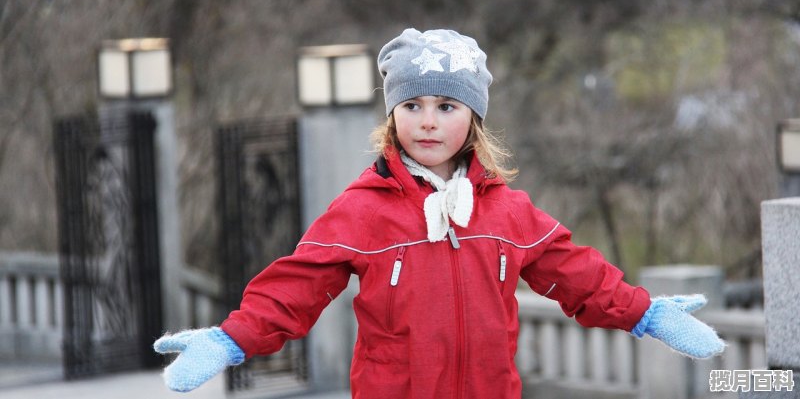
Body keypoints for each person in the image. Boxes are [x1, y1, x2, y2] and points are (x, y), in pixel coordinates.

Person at [154, 28, 725, 397]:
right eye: (413, 105)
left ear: (472, 118)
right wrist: (230, 339)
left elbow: (578, 275)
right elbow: (294, 289)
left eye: (446, 105)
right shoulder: (363, 212)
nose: (428, 120)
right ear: (393, 114)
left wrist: (645, 312)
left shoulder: (506, 212)